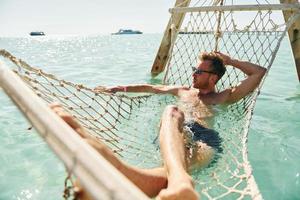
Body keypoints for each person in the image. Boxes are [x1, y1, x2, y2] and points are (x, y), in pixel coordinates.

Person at [52, 52, 266, 200]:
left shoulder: (224, 96)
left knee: (177, 160)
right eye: (194, 69)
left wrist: (229, 61)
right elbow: (152, 88)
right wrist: (118, 88)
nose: (193, 73)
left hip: (203, 139)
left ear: (214, 77)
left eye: (199, 71)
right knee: (171, 111)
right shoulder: (183, 91)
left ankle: (126, 174)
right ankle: (174, 183)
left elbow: (258, 72)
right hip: (172, 134)